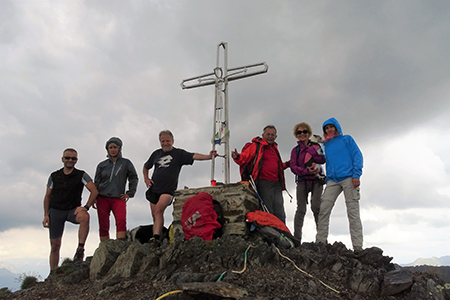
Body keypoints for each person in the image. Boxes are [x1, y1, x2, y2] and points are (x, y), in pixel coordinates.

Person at [143, 130, 217, 246]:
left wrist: (209, 156)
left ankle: (156, 238)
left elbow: (194, 155)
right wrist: (146, 178)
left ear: (172, 141)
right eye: (163, 141)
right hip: (154, 188)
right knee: (155, 214)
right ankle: (159, 238)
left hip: (167, 190)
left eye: (168, 140)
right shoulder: (156, 154)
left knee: (158, 210)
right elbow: (146, 166)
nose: (165, 143)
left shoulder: (178, 154)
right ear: (160, 142)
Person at [42, 148, 98, 272]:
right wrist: (46, 215)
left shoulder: (81, 175)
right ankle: (53, 273)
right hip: (56, 210)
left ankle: (80, 249)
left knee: (85, 216)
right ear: (62, 159)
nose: (70, 160)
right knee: (55, 245)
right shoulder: (54, 176)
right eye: (67, 158)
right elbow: (47, 196)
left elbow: (94, 191)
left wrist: (86, 207)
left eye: (73, 158)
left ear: (76, 160)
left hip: (73, 210)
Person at [315, 117, 364, 251]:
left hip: (349, 177)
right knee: (324, 208)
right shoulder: (326, 145)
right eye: (326, 128)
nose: (329, 129)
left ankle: (358, 247)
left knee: (352, 212)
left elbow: (357, 156)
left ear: (336, 127)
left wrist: (356, 175)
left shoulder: (347, 139)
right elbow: (321, 159)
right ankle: (320, 242)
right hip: (332, 180)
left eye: (331, 127)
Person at [232, 125, 289, 223]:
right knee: (268, 210)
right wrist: (237, 156)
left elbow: (276, 166)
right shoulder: (256, 146)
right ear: (263, 135)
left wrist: (287, 164)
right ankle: (271, 234)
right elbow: (244, 158)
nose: (270, 137)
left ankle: (282, 233)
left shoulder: (274, 148)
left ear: (276, 137)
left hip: (277, 184)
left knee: (280, 211)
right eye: (268, 134)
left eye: (272, 135)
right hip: (263, 183)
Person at [94, 137, 138, 241]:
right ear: (107, 149)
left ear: (119, 148)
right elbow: (96, 182)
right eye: (110, 147)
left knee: (121, 220)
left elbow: (133, 178)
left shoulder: (126, 163)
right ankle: (104, 247)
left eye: (115, 147)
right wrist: (93, 198)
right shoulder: (102, 165)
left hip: (118, 197)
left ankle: (121, 244)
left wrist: (130, 193)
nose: (113, 149)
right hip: (102, 197)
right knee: (103, 222)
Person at [290, 122, 325, 242]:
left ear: (309, 133)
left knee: (316, 207)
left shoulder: (316, 147)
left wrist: (311, 150)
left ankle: (321, 239)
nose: (302, 134)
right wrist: (306, 171)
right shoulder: (296, 150)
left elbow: (322, 159)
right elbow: (293, 167)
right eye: (299, 132)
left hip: (317, 180)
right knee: (301, 209)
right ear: (296, 135)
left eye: (305, 132)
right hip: (302, 181)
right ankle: (296, 239)